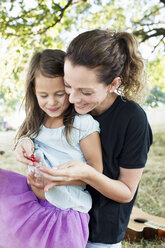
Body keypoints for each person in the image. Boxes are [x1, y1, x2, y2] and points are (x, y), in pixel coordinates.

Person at [14, 29, 153, 248]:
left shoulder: (132, 119)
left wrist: (88, 174)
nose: (72, 98)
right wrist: (22, 143)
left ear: (113, 84)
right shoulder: (64, 105)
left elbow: (126, 192)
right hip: (55, 219)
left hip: (100, 232)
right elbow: (36, 130)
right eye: (67, 86)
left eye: (85, 92)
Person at [0, 49, 103, 248]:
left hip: (65, 213)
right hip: (34, 203)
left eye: (59, 94)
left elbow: (96, 171)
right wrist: (24, 143)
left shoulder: (82, 125)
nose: (52, 102)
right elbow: (25, 140)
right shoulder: (36, 123)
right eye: (43, 95)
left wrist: (59, 178)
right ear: (34, 93)